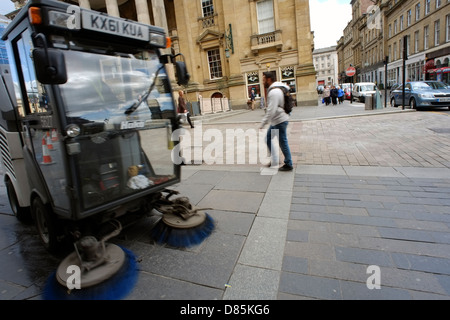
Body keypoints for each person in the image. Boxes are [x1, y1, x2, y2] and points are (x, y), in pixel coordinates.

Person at [259, 72, 293, 171]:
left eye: (264, 79)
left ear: (269, 79)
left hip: (280, 121)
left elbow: (271, 110)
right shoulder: (279, 88)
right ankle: (275, 160)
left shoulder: (274, 92)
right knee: (268, 138)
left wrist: (263, 123)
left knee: (282, 141)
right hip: (278, 120)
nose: (263, 81)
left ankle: (288, 163)